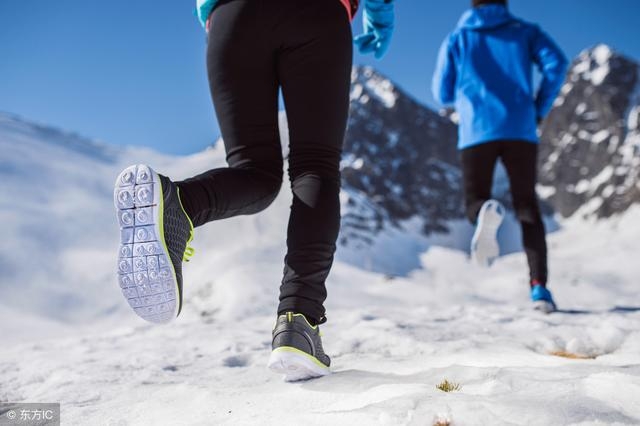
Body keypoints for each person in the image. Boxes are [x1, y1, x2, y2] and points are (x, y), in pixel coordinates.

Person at [113, 0, 395, 381]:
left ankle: (179, 203)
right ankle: (298, 321)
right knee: (315, 166)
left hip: (232, 15)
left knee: (255, 174)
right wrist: (380, 13)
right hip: (317, 16)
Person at [432, 0, 568, 313]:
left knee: (475, 199)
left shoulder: (458, 38)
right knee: (527, 207)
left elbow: (442, 92)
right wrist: (538, 107)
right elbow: (556, 64)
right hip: (520, 126)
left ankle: (483, 212)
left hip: (476, 129)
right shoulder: (526, 32)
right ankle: (539, 290)